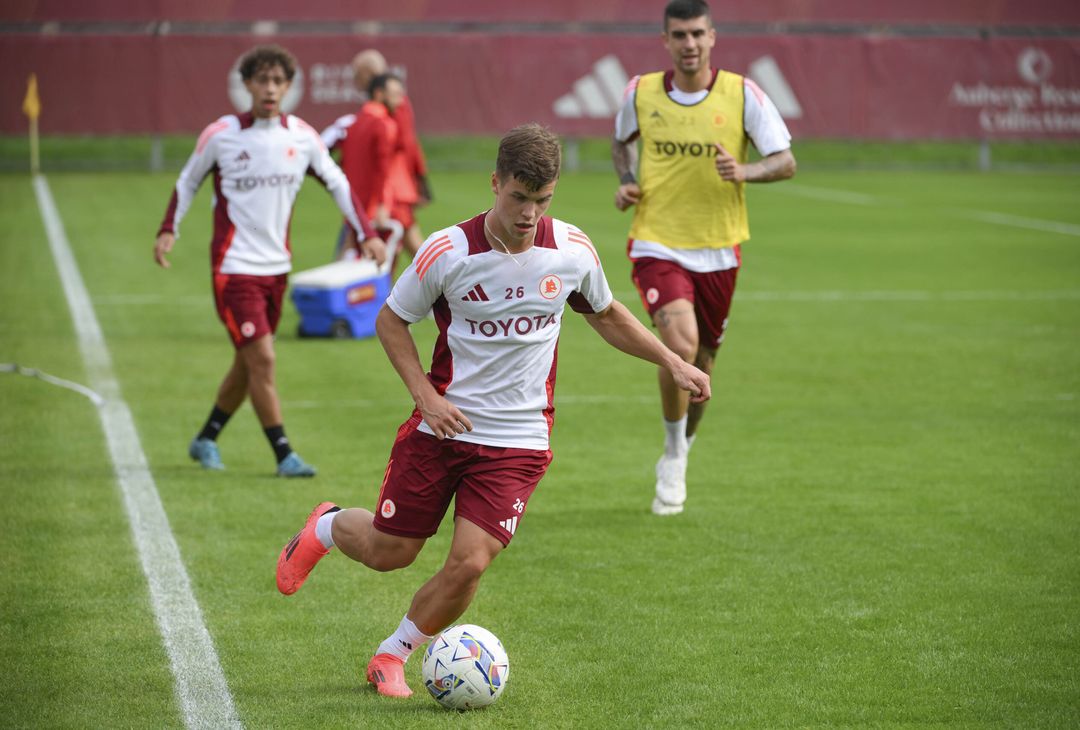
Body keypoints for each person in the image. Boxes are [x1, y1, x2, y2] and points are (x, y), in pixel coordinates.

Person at [276, 124, 712, 698]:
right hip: (440, 429)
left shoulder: (572, 250)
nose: (530, 213)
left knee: (470, 563)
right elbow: (390, 319)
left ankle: (392, 654)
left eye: (543, 199)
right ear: (495, 183)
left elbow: (606, 314)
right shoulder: (448, 252)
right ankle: (327, 526)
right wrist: (426, 399)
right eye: (519, 197)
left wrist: (672, 361)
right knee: (391, 553)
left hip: (519, 440)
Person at [154, 44, 386, 477]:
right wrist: (170, 227)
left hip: (276, 270)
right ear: (246, 85)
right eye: (262, 80)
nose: (270, 88)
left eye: (278, 81)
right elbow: (187, 181)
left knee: (248, 363)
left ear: (288, 87)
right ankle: (284, 454)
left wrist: (367, 234)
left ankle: (206, 438)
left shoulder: (301, 136)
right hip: (234, 269)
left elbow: (338, 184)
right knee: (263, 359)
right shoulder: (221, 134)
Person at [611, 0, 796, 515]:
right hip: (656, 240)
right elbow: (620, 142)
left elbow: (785, 161)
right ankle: (672, 457)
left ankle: (681, 448)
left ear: (712, 37)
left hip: (719, 248)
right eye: (679, 35)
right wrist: (627, 182)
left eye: (697, 34)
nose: (689, 44)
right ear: (665, 41)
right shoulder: (640, 91)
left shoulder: (742, 94)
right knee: (681, 344)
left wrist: (746, 172)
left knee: (704, 367)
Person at [322, 49, 431, 265]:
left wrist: (415, 183)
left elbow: (401, 147)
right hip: (387, 192)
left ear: (368, 73)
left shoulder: (385, 111)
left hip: (386, 194)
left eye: (357, 75)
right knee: (405, 252)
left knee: (379, 252)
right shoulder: (377, 113)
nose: (356, 82)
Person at [321, 73, 406, 259]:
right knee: (378, 266)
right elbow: (383, 169)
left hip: (351, 203)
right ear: (379, 93)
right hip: (374, 208)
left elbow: (324, 148)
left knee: (346, 258)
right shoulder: (385, 125)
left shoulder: (353, 122)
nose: (400, 100)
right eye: (395, 94)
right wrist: (383, 206)